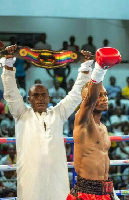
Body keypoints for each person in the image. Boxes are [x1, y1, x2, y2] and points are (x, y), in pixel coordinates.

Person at [1, 44, 94, 200]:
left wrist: (85, 66)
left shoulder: (58, 113)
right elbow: (11, 93)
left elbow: (76, 95)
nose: (40, 98)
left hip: (56, 177)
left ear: (49, 97)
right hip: (31, 178)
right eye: (36, 95)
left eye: (43, 95)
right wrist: (8, 64)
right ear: (28, 99)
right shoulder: (21, 113)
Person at [67, 47, 121, 200]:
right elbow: (90, 99)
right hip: (85, 193)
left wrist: (111, 193)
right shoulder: (82, 122)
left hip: (106, 191)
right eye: (99, 95)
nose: (103, 98)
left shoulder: (103, 127)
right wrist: (99, 69)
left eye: (105, 94)